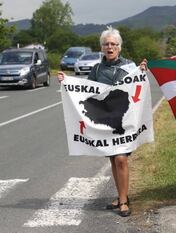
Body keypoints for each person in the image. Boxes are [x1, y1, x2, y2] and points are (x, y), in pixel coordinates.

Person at [58, 26, 147, 217]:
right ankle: (121, 195)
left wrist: (142, 70)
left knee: (122, 158)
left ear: (120, 47)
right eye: (106, 44)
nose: (110, 47)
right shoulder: (97, 69)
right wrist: (66, 80)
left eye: (113, 44)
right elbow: (85, 90)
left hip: (124, 120)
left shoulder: (130, 66)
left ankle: (124, 201)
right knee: (114, 159)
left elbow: (138, 84)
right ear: (102, 48)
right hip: (106, 121)